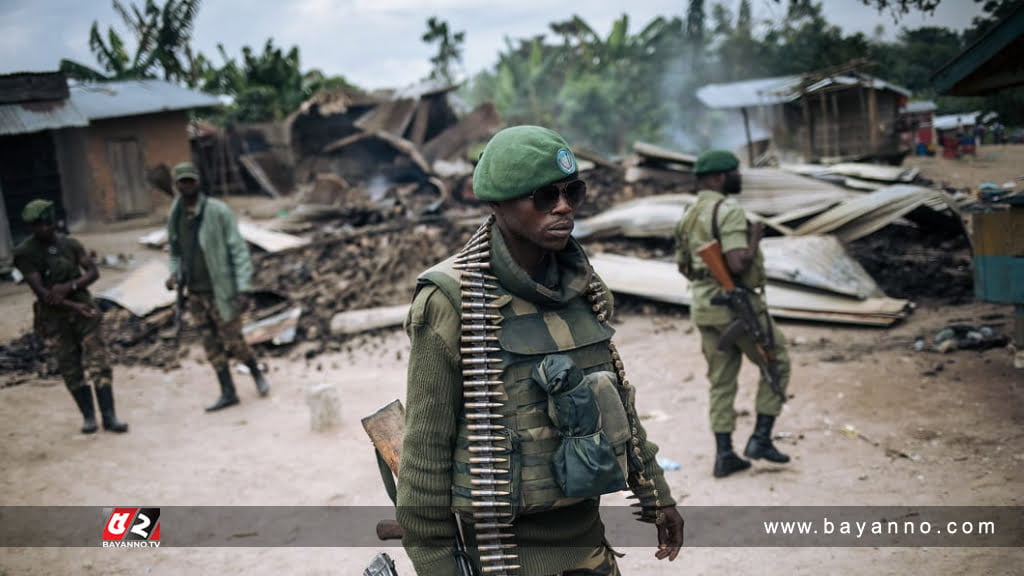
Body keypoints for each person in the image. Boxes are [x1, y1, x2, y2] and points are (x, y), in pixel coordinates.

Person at [397, 126, 684, 576]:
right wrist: (434, 561)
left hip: (586, 544)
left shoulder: (583, 287)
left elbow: (616, 403)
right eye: (544, 196)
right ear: (497, 204)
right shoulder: (450, 300)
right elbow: (425, 450)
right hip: (502, 553)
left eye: (573, 192)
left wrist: (656, 494)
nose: (564, 206)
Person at [673, 150, 792, 478]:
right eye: (735, 172)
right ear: (719, 177)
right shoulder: (728, 210)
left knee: (721, 380)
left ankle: (724, 454)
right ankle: (761, 439)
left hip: (703, 306)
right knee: (776, 362)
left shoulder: (689, 212)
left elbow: (683, 265)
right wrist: (754, 239)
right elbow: (738, 262)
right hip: (735, 306)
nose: (739, 177)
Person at [13, 199, 128, 434]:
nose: (42, 229)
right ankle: (88, 417)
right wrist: (74, 305)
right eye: (36, 225)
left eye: (46, 223)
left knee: (99, 362)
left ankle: (109, 416)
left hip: (85, 313)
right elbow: (44, 294)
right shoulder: (25, 253)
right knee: (70, 366)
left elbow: (93, 272)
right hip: (55, 318)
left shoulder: (72, 245)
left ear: (54, 222)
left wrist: (70, 286)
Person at [164, 162, 270, 411]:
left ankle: (256, 373)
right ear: (176, 185)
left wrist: (243, 287)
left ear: (198, 182)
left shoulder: (217, 212)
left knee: (234, 340)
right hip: (195, 293)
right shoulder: (176, 215)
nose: (187, 186)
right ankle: (228, 392)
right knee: (210, 344)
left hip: (220, 291)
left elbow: (239, 250)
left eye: (191, 181)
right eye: (182, 182)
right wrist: (173, 274)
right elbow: (174, 251)